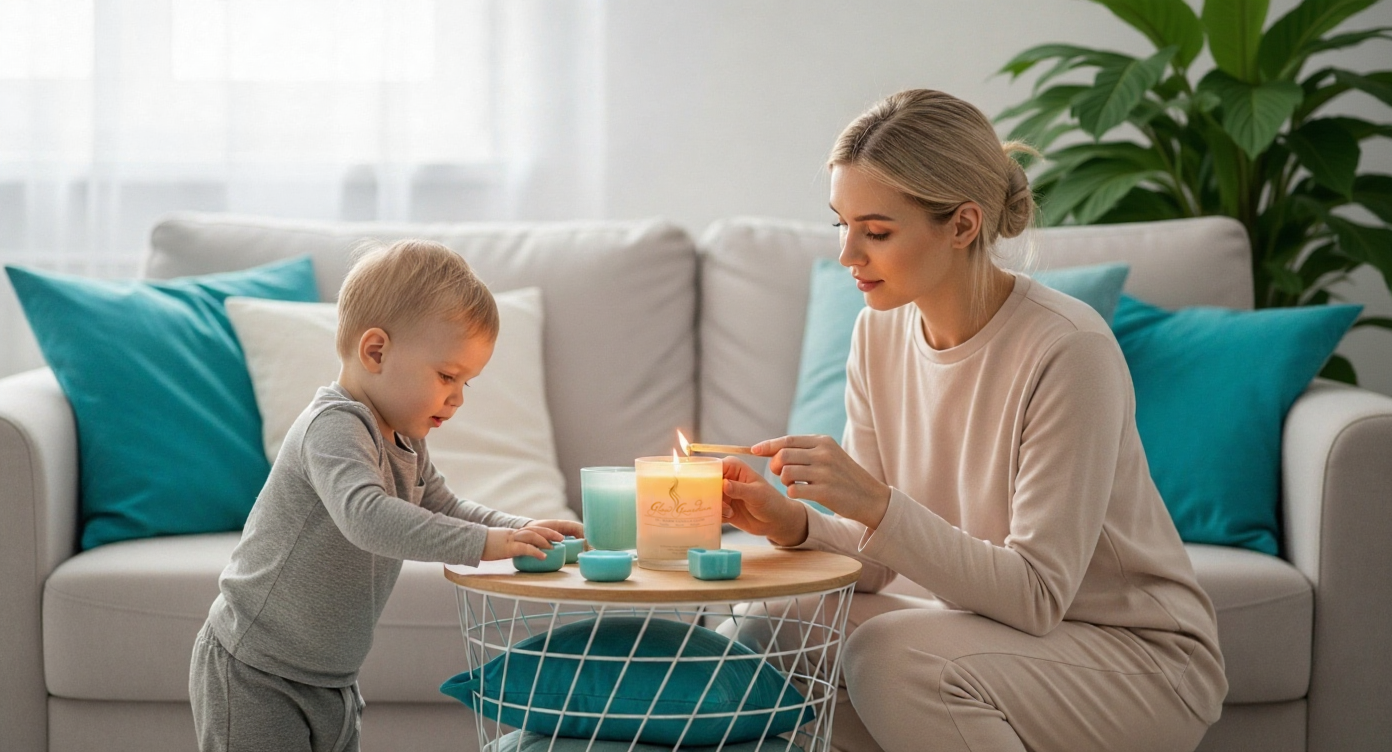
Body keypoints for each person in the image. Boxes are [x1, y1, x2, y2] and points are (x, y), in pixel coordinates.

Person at [718, 90, 1226, 752]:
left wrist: (874, 501)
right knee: (769, 626)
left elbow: (1037, 594)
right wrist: (796, 522)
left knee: (893, 655)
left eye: (876, 231)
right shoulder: (877, 337)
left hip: (1136, 659)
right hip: (993, 634)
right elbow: (873, 567)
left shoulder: (1068, 348)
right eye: (841, 224)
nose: (849, 255)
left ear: (962, 225)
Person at [189, 239, 583, 752]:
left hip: (331, 676)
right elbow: (367, 518)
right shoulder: (332, 426)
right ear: (376, 351)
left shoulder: (404, 437)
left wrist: (521, 531)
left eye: (467, 382)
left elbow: (443, 506)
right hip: (256, 669)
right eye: (447, 376)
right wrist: (488, 543)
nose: (457, 397)